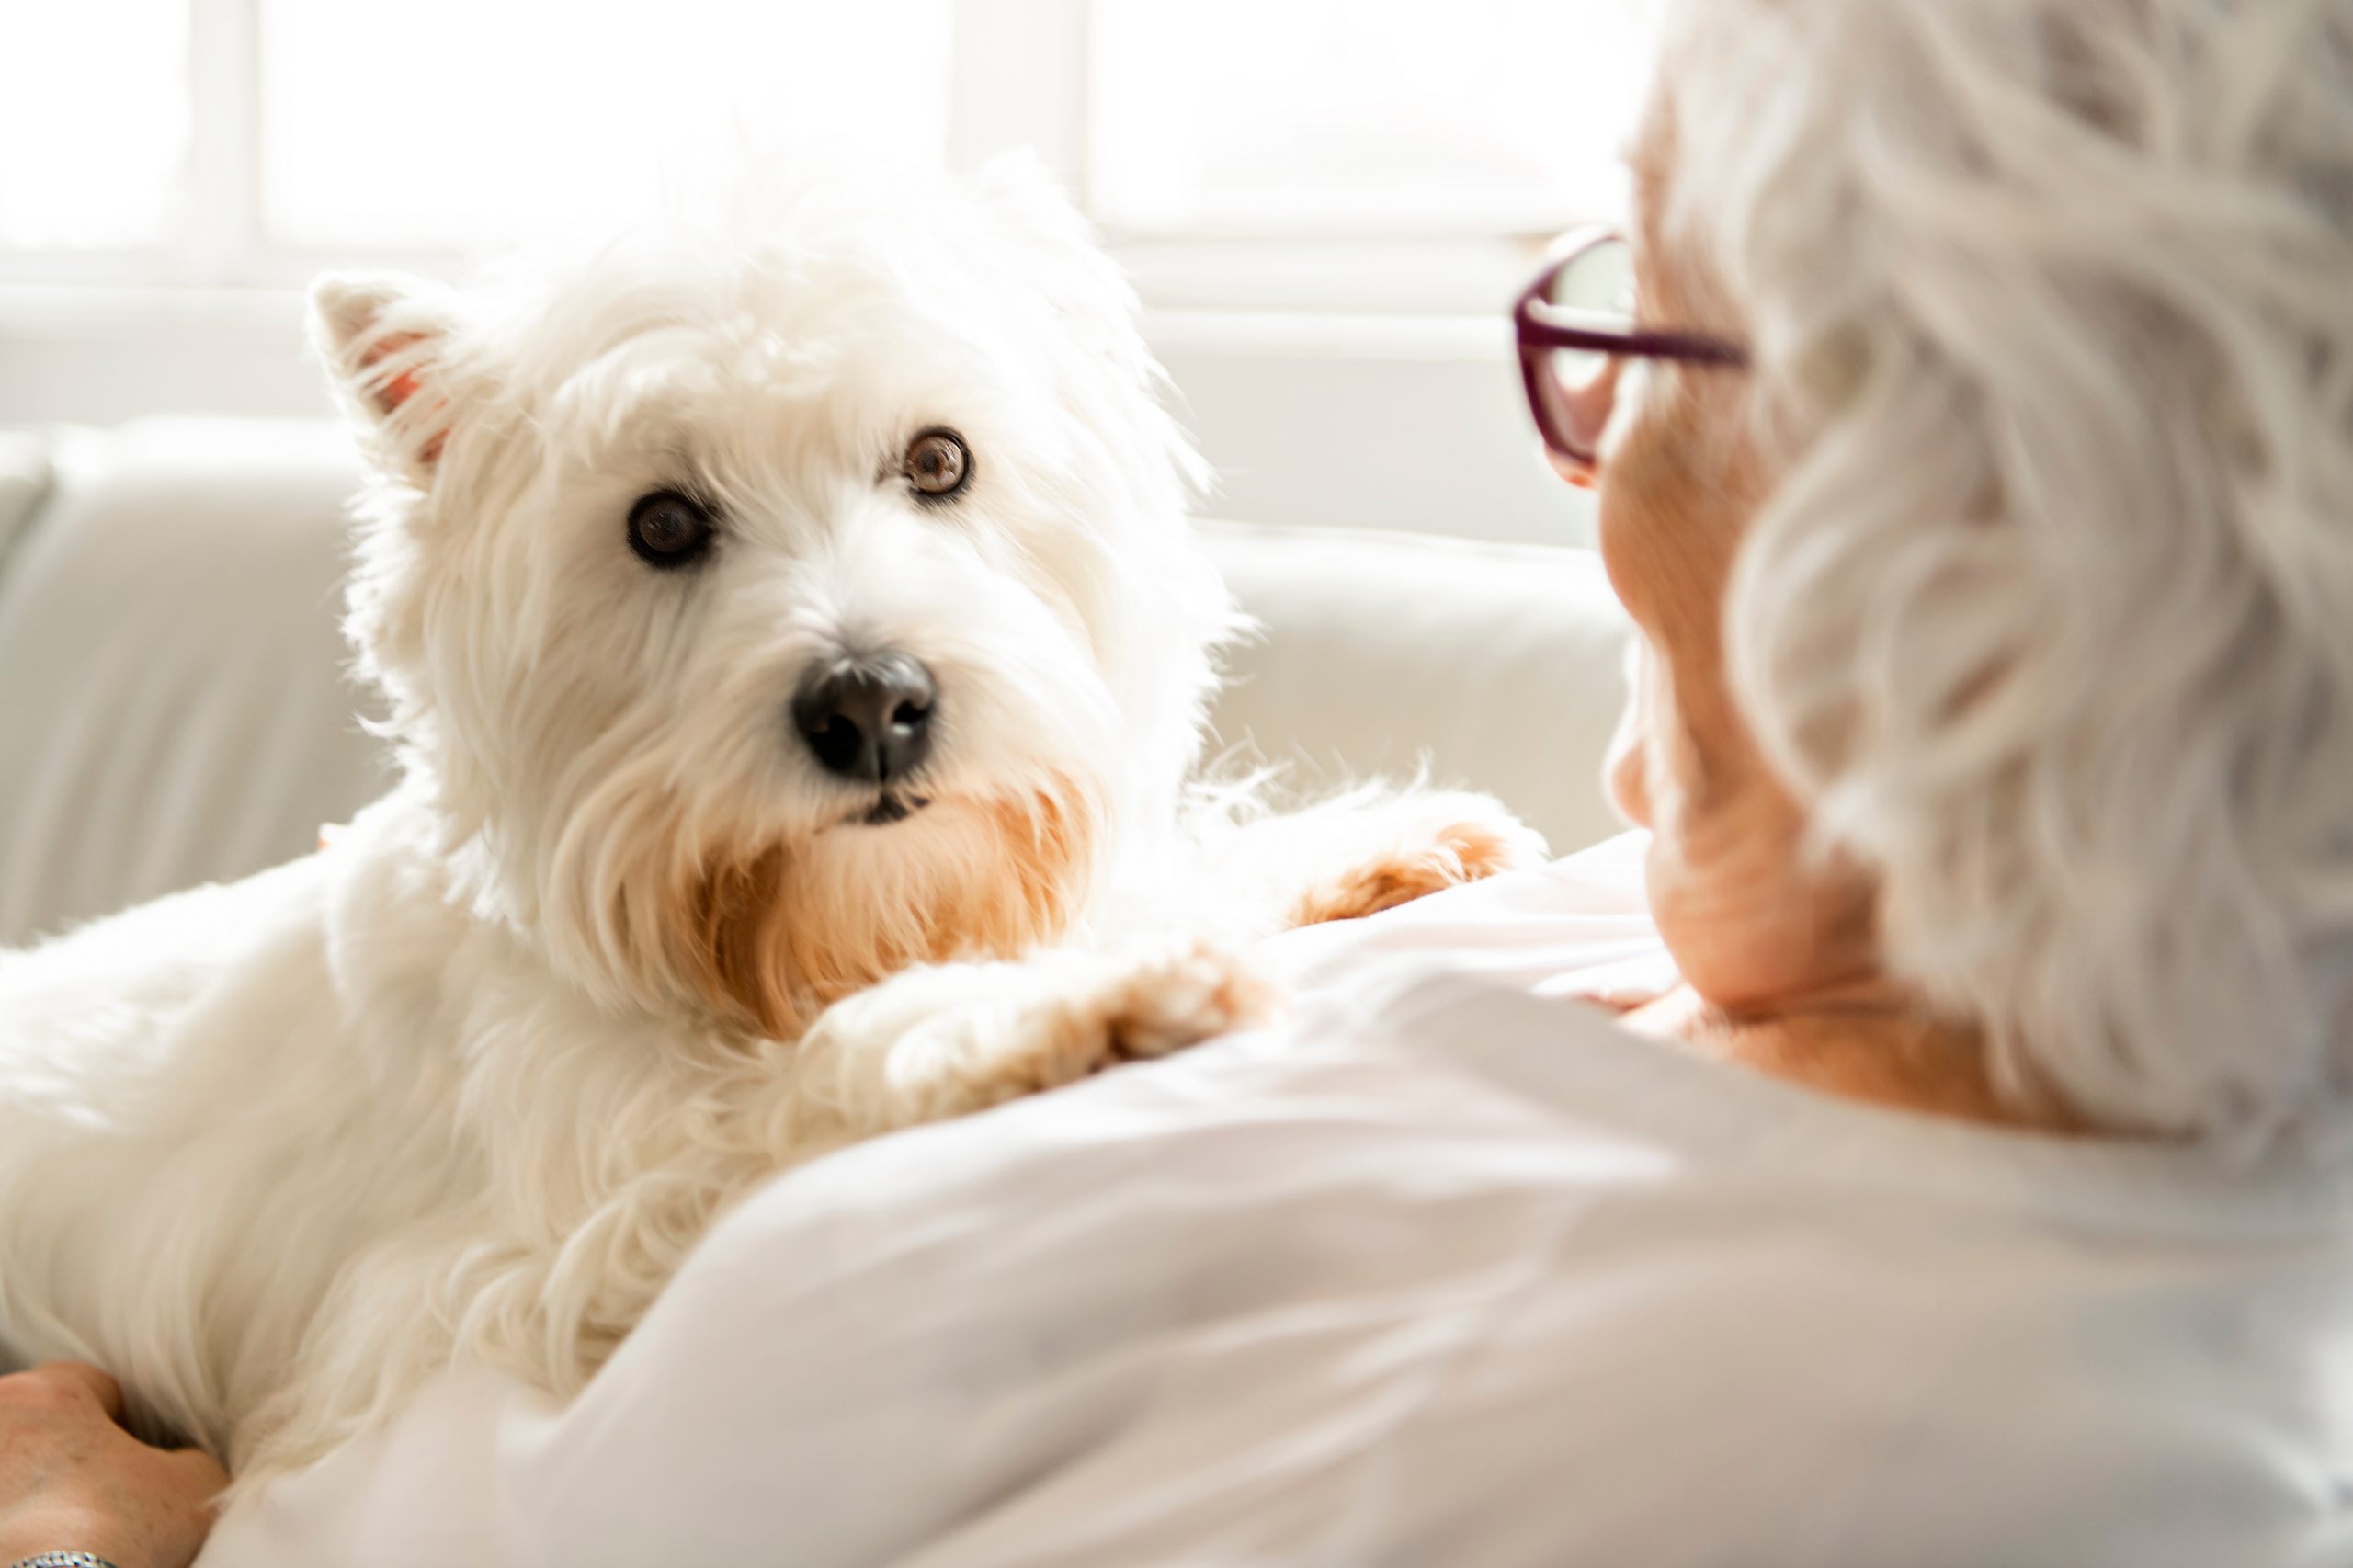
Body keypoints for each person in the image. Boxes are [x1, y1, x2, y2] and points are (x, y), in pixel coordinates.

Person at [19, 0, 2353, 1562]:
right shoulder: (1761, 927)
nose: (1586, 462)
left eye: (1629, 329)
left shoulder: (1878, 1414)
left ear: (1944, 529)